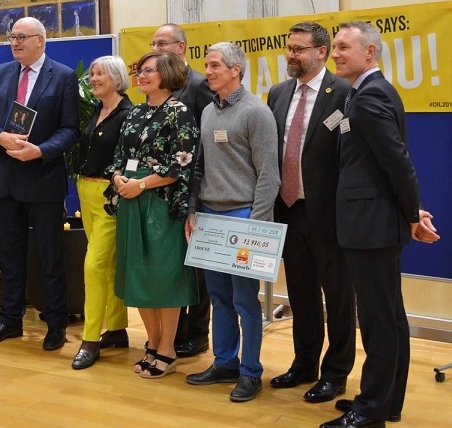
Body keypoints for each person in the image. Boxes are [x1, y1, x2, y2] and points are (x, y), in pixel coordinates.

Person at [320, 22, 439, 428]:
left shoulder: (370, 97)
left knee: (378, 321)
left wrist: (412, 214)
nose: (335, 54)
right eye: (334, 47)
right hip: (370, 223)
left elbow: (398, 163)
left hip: (371, 226)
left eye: (343, 48)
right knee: (388, 317)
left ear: (369, 53)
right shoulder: (360, 94)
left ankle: (370, 411)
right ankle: (385, 401)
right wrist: (411, 211)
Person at [0, 16, 80, 351]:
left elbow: (70, 129)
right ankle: (10, 320)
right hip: (5, 181)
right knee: (11, 256)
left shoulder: (62, 76)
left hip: (43, 181)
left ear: (41, 40)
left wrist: (40, 151)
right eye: (12, 37)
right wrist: (2, 137)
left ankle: (56, 323)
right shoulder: (1, 73)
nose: (15, 42)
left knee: (50, 256)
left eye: (22, 37)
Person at [185, 42, 280, 402]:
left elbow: (269, 175)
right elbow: (199, 166)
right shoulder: (208, 111)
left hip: (243, 215)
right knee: (219, 298)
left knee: (245, 301)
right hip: (209, 216)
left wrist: (256, 226)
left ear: (235, 70)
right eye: (207, 65)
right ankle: (225, 362)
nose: (207, 71)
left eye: (214, 66)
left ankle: (250, 371)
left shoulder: (256, 112)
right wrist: (193, 209)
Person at [266, 23, 356, 403]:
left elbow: (349, 156)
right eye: (289, 48)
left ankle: (336, 373)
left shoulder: (345, 94)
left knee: (337, 297)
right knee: (300, 294)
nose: (292, 55)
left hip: (328, 213)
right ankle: (304, 364)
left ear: (321, 52)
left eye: (300, 49)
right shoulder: (278, 92)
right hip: (289, 209)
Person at [108, 50, 199, 379]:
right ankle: (153, 341)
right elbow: (120, 153)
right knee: (138, 274)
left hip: (161, 202)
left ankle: (167, 348)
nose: (142, 76)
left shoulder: (180, 113)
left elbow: (181, 163)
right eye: (140, 71)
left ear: (167, 74)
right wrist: (118, 177)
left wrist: (141, 184)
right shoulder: (134, 112)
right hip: (130, 199)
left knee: (163, 276)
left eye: (149, 71)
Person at [150, 22, 214, 359]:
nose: (158, 48)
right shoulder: (160, 86)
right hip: (164, 190)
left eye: (164, 42)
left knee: (197, 264)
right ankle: (171, 333)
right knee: (176, 263)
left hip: (195, 186)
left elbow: (205, 139)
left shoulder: (201, 85)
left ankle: (198, 332)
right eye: (154, 43)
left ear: (182, 47)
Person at [71, 55, 133, 370]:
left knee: (93, 266)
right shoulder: (98, 111)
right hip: (86, 190)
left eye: (100, 74)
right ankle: (118, 328)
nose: (93, 78)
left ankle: (90, 338)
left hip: (110, 195)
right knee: (106, 265)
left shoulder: (128, 113)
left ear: (117, 78)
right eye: (92, 73)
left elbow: (131, 157)